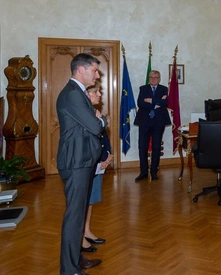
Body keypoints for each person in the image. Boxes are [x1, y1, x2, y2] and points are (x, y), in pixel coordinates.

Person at [56, 53, 106, 275]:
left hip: (82, 159)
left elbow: (90, 125)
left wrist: (95, 119)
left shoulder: (77, 93)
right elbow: (96, 127)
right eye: (94, 70)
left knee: (79, 213)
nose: (97, 74)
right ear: (80, 70)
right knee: (75, 217)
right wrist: (100, 119)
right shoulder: (74, 95)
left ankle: (76, 258)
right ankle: (69, 269)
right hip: (76, 162)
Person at [81, 84, 113, 253]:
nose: (99, 94)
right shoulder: (85, 114)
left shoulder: (94, 112)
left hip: (98, 163)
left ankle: (86, 231)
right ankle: (80, 238)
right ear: (86, 94)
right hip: (88, 163)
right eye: (96, 92)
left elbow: (103, 136)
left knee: (91, 200)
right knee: (84, 201)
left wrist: (107, 155)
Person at [134, 70, 171, 182]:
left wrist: (150, 100)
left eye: (156, 77)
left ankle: (154, 171)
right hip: (144, 121)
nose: (153, 79)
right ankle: (143, 172)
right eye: (151, 77)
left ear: (159, 78)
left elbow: (165, 103)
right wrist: (157, 103)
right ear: (149, 78)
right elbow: (140, 103)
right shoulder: (143, 88)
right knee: (142, 146)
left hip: (158, 121)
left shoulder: (164, 89)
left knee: (156, 147)